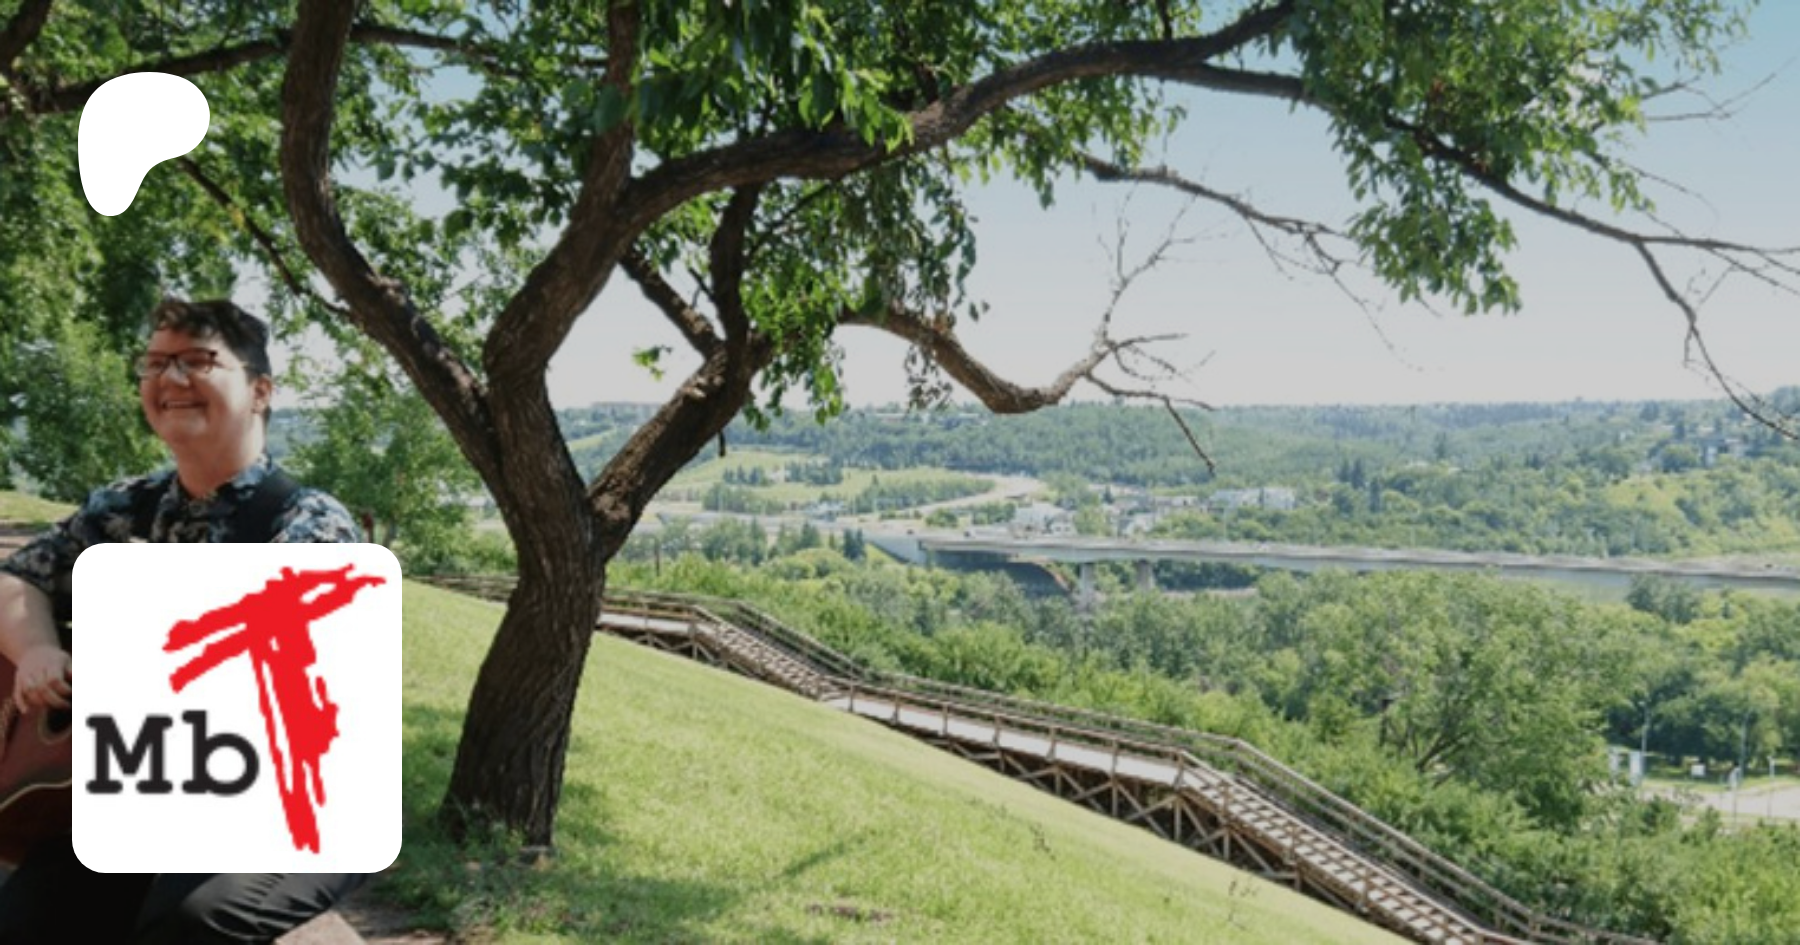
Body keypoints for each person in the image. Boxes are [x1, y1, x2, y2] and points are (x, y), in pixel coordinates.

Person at [0, 299, 367, 943]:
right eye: (155, 363)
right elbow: (18, 579)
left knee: (194, 921)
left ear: (260, 391)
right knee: (24, 921)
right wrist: (36, 651)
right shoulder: (124, 507)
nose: (170, 379)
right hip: (151, 793)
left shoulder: (310, 528)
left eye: (198, 361)